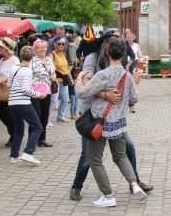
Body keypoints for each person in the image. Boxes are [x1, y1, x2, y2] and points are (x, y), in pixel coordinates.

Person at [71, 31, 152, 201]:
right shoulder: (126, 75)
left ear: (109, 52)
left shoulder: (103, 75)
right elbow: (134, 98)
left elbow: (82, 92)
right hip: (119, 123)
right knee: (121, 156)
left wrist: (78, 79)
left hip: (99, 122)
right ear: (124, 54)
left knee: (94, 159)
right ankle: (134, 184)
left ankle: (107, 195)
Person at [8, 46, 47, 164]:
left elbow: (9, 84)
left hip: (12, 102)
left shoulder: (13, 68)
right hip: (23, 102)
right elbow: (25, 90)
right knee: (38, 127)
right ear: (32, 58)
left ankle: (14, 155)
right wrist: (38, 94)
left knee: (19, 128)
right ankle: (28, 152)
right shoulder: (27, 71)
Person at [30, 39, 55, 148]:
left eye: (44, 47)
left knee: (45, 116)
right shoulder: (32, 61)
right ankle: (32, 139)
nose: (42, 49)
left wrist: (53, 77)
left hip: (47, 91)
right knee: (36, 115)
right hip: (35, 92)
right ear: (35, 49)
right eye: (40, 47)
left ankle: (42, 139)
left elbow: (53, 72)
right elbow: (28, 76)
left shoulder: (49, 60)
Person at [52, 36, 72, 122]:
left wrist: (71, 80)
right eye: (59, 43)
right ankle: (46, 119)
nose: (61, 45)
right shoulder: (52, 54)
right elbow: (51, 68)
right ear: (54, 44)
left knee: (65, 99)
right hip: (55, 80)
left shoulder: (63, 54)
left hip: (64, 80)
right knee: (53, 100)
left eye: (63, 44)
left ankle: (61, 116)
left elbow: (67, 69)